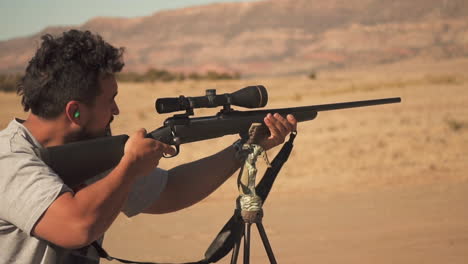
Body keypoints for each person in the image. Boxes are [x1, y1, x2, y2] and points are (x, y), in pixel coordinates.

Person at [0, 29, 297, 264]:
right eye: (110, 99)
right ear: (74, 112)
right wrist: (129, 168)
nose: (115, 111)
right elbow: (76, 227)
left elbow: (171, 190)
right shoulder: (9, 160)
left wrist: (244, 148)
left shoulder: (88, 150)